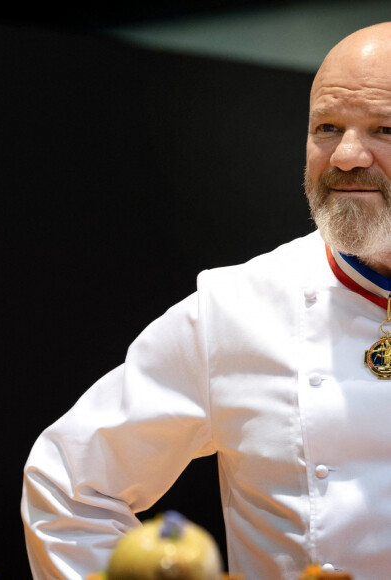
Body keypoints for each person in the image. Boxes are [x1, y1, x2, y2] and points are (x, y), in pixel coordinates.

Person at [21, 22, 391, 580]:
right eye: (327, 127)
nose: (345, 156)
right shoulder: (240, 307)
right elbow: (68, 483)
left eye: (385, 129)